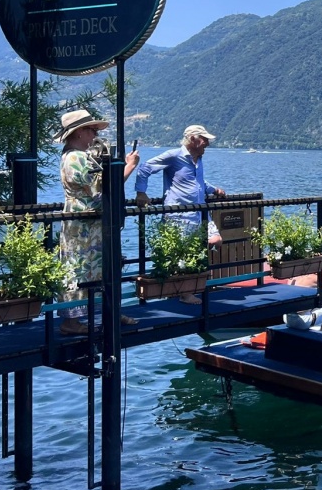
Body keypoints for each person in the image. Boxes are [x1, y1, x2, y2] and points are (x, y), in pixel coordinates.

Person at [56, 109, 141, 335]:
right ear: (79, 132)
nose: (95, 134)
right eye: (92, 129)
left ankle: (106, 312)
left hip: (88, 222)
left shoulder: (74, 155)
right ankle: (71, 321)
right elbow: (103, 187)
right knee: (79, 268)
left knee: (96, 268)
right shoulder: (76, 157)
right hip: (83, 222)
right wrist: (130, 166)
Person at [134, 124, 226, 304]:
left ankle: (186, 288)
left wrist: (214, 189)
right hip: (178, 215)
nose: (207, 143)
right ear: (193, 139)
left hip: (199, 213)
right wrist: (141, 192)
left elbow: (198, 183)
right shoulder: (174, 156)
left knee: (214, 241)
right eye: (204, 139)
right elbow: (145, 168)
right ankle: (183, 292)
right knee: (181, 254)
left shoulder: (198, 160)